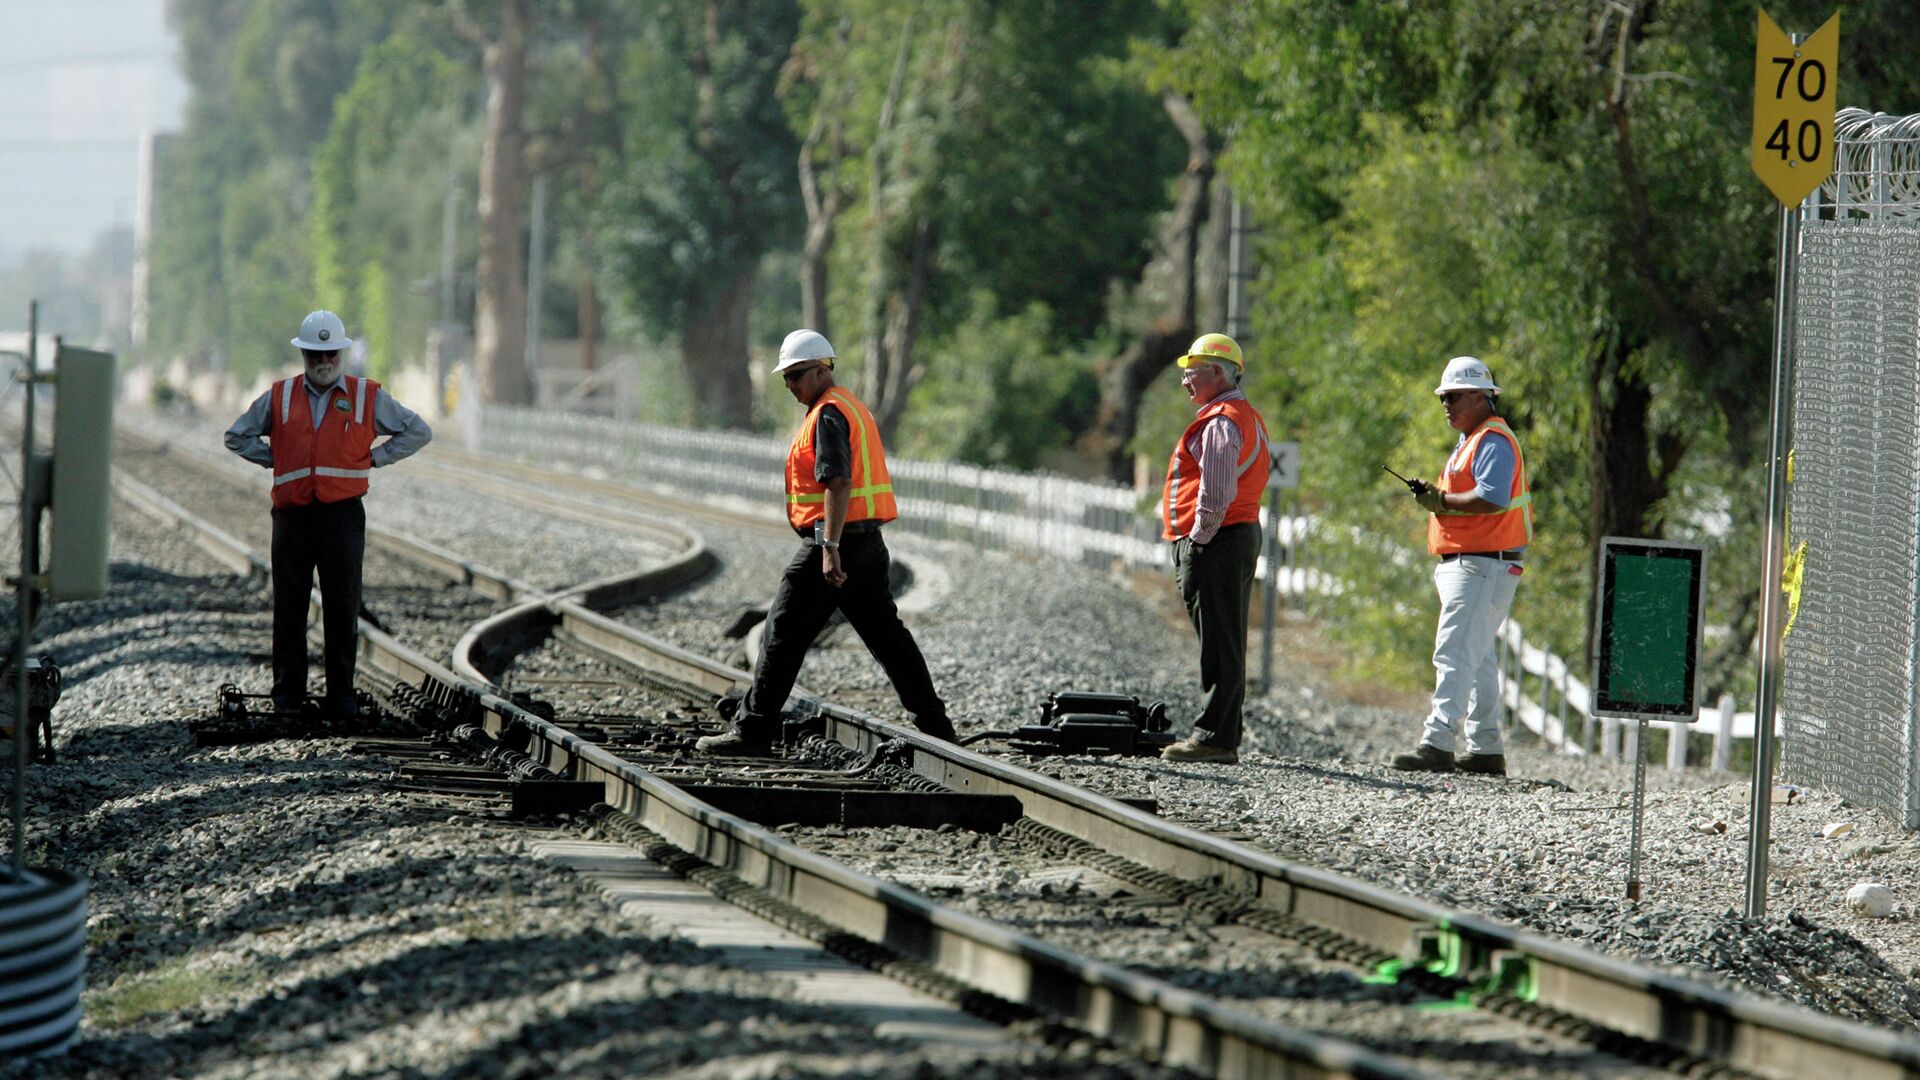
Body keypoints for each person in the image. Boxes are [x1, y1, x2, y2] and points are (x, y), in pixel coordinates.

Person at [696, 330, 956, 754]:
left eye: (797, 375)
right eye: (786, 378)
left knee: (781, 633)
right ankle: (938, 729)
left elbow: (837, 481)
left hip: (834, 545)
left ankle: (752, 731)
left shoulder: (829, 414)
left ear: (822, 369)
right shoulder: (849, 407)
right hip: (867, 544)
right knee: (890, 640)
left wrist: (829, 548)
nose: (791, 385)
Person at [224, 310, 433, 719]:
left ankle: (341, 697)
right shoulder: (280, 396)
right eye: (315, 354)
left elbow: (417, 430)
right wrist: (274, 459)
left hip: (342, 516)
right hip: (293, 516)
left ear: (341, 353)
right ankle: (288, 696)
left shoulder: (365, 396)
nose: (323, 362)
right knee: (289, 608)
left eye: (330, 353)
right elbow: (236, 435)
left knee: (342, 608)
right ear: (303, 354)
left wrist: (378, 458)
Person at [1391, 356, 1532, 777]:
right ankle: (1487, 748)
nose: (1446, 405)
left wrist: (1440, 501)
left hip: (1481, 565)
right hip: (1480, 564)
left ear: (1479, 396)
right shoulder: (1476, 439)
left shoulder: (1492, 440)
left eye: (1452, 396)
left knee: (1453, 654)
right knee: (1478, 658)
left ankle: (1437, 743)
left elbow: (1492, 498)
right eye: (1443, 398)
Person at [1157, 333, 1270, 765]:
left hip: (1217, 539)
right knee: (1225, 639)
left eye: (1192, 372)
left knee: (1220, 643)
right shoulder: (1241, 416)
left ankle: (1215, 737)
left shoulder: (1223, 421)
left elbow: (1216, 493)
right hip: (1232, 535)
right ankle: (1222, 733)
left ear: (1217, 373)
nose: (1185, 381)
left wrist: (1197, 542)